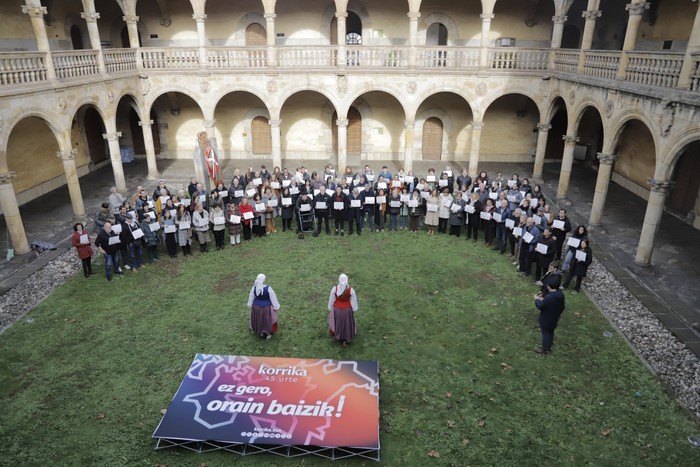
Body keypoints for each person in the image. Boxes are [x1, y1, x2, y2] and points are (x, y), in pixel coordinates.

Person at [534, 278, 566, 354]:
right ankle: (548, 347)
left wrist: (537, 300)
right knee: (551, 332)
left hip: (546, 318)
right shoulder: (560, 294)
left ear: (549, 286)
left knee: (545, 333)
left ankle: (544, 349)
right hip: (555, 317)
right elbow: (562, 307)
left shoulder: (549, 297)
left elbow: (540, 306)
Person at [327, 274, 359, 346]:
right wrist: (354, 308)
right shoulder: (351, 290)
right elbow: (353, 301)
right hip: (347, 310)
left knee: (339, 323)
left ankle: (339, 336)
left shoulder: (334, 289)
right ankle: (345, 339)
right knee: (347, 323)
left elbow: (331, 299)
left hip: (337, 310)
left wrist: (330, 307)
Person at [247, 274, 281, 339]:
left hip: (256, 307)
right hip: (266, 308)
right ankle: (267, 333)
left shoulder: (254, 288)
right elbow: (273, 298)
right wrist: (276, 307)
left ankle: (261, 331)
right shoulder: (268, 288)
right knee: (267, 320)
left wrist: (250, 305)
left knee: (259, 319)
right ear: (264, 280)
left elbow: (251, 298)